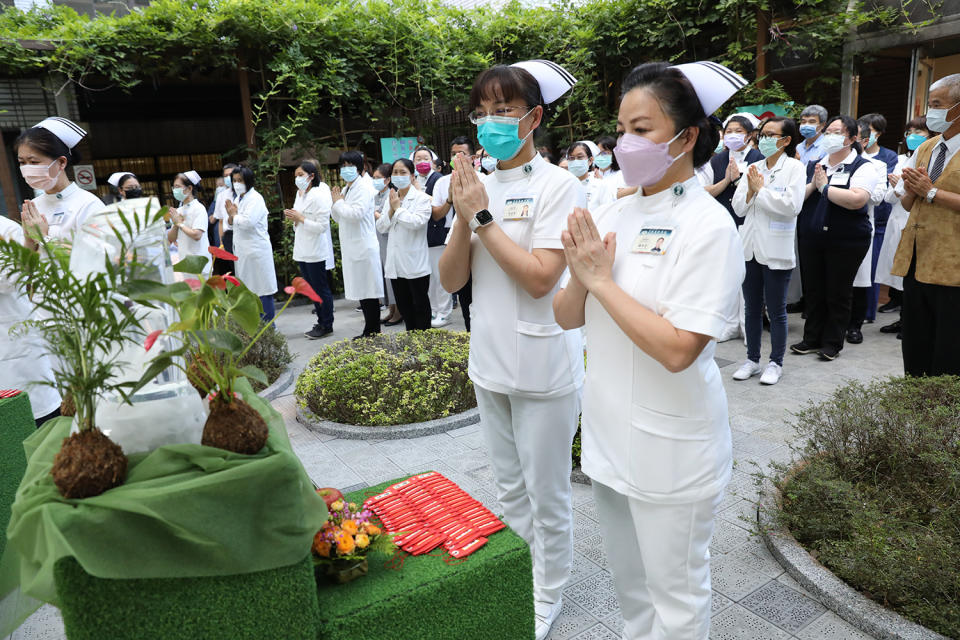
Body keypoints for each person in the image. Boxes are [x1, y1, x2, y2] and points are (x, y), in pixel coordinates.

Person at [553, 60, 746, 640]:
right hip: (611, 434)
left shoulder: (707, 226)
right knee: (631, 589)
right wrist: (581, 274)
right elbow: (566, 316)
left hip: (672, 448)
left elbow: (680, 349)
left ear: (686, 137)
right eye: (622, 129)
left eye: (643, 129)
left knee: (677, 597)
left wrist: (603, 281)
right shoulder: (614, 209)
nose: (624, 143)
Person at [439, 59, 584, 640]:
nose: (492, 122)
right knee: (507, 485)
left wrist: (481, 216)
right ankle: (521, 573)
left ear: (534, 118)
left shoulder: (560, 186)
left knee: (546, 490)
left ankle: (549, 591)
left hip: (544, 363)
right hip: (490, 360)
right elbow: (452, 281)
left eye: (504, 111)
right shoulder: (482, 186)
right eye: (483, 112)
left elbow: (541, 279)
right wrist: (461, 213)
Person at [791, 115, 879, 361]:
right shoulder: (817, 164)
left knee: (837, 291)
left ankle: (832, 342)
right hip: (813, 236)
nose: (830, 136)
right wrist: (814, 184)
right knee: (814, 289)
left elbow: (857, 200)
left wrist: (825, 188)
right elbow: (801, 197)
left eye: (836, 132)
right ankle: (811, 339)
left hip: (847, 239)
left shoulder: (863, 166)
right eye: (828, 131)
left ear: (851, 138)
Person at [891, 74, 960, 376]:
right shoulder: (927, 147)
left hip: (953, 265)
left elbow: (928, 193)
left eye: (937, 105)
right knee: (916, 342)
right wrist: (912, 190)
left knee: (948, 348)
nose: (931, 112)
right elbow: (908, 202)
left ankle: (943, 416)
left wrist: (930, 191)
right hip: (917, 258)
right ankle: (915, 406)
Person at [730, 117, 805, 385]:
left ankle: (776, 362)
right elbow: (738, 207)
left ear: (785, 140)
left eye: (771, 134)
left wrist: (760, 192)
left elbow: (791, 206)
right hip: (749, 248)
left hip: (776, 249)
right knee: (751, 308)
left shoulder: (795, 168)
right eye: (762, 134)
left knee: (776, 310)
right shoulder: (753, 167)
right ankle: (752, 359)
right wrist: (751, 193)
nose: (764, 139)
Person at [0, 216, 61, 427]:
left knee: (37, 422)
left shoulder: (6, 228)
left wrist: (29, 243)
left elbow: (9, 278)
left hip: (16, 350)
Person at [875, 117, 930, 338]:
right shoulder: (900, 160)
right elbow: (889, 197)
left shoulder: (932, 159)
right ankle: (902, 319)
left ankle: (911, 322)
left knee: (912, 274)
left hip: (916, 222)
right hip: (896, 220)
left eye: (919, 131)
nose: (913, 136)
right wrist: (899, 187)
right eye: (910, 131)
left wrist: (902, 186)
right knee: (897, 272)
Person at [15, 117, 104, 250]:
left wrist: (44, 238)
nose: (27, 168)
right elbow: (28, 265)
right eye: (22, 162)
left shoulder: (88, 204)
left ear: (61, 162)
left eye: (34, 162)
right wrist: (29, 240)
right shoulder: (34, 206)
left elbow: (97, 257)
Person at [846, 121, 891, 343]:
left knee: (860, 278)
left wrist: (856, 191)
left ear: (862, 140)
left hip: (862, 225)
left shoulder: (876, 165)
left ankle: (855, 325)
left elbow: (877, 196)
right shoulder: (837, 161)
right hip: (835, 226)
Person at [331, 150, 384, 338]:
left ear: (359, 167)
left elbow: (355, 214)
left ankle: (373, 330)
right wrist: (336, 203)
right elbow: (338, 216)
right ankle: (369, 329)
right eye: (343, 166)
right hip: (352, 246)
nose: (346, 170)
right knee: (362, 289)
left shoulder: (364, 187)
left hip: (363, 245)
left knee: (369, 291)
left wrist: (338, 204)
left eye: (350, 166)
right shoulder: (347, 188)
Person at [376, 158, 432, 331]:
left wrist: (397, 209)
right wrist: (392, 210)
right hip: (396, 264)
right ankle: (411, 338)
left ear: (412, 176)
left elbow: (417, 222)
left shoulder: (421, 198)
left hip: (415, 263)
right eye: (395, 172)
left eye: (403, 172)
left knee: (420, 305)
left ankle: (425, 341)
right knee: (404, 305)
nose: (398, 176)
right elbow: (381, 226)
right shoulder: (391, 199)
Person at [284, 160, 335, 339]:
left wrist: (300, 218)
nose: (297, 179)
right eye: (296, 176)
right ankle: (320, 320)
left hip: (315, 249)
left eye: (301, 175)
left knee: (321, 289)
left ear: (312, 176)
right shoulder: (301, 194)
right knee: (311, 288)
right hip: (302, 249)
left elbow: (321, 227)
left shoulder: (319, 195)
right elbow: (299, 220)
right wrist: (295, 218)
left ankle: (326, 323)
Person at [431, 137, 475, 328]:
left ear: (472, 157)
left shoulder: (484, 180)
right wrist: (449, 200)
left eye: (462, 154)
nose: (456, 158)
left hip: (477, 239)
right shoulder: (442, 183)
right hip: (452, 237)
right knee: (461, 289)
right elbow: (436, 216)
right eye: (453, 154)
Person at [224, 165, 278, 321]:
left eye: (240, 180)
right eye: (234, 181)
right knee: (249, 290)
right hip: (243, 252)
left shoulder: (256, 199)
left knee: (262, 289)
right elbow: (232, 222)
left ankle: (268, 328)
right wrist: (231, 216)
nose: (236, 184)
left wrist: (234, 215)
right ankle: (256, 326)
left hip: (256, 251)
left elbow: (249, 223)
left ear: (248, 181)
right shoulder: (238, 198)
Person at [704, 115, 764, 225]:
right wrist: (726, 180)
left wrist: (737, 180)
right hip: (721, 218)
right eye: (729, 131)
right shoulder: (716, 160)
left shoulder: (759, 159)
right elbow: (705, 191)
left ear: (749, 135)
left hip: (748, 220)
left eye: (738, 131)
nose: (733, 135)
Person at [372, 163, 402, 326]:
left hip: (389, 238)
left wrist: (377, 215)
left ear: (388, 180)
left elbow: (387, 218)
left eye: (378, 178)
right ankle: (391, 309)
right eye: (373, 178)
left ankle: (398, 312)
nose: (375, 181)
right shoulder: (375, 195)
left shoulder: (391, 194)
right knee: (384, 276)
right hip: (378, 239)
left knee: (392, 276)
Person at [167, 170, 210, 273]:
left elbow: (197, 235)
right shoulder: (179, 210)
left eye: (178, 187)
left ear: (189, 188)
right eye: (174, 187)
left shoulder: (199, 208)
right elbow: (171, 238)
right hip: (185, 261)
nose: (174, 190)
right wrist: (176, 225)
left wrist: (180, 224)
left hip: (199, 262)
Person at [566, 141, 616, 208]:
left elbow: (608, 212)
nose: (575, 161)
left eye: (580, 157)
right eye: (571, 158)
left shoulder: (601, 186)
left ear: (590, 160)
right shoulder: (564, 187)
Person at [212, 163, 238, 275]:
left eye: (230, 175)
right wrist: (221, 243)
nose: (228, 178)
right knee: (233, 269)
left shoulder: (244, 193)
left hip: (243, 234)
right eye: (225, 175)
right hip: (228, 236)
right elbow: (221, 221)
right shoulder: (221, 196)